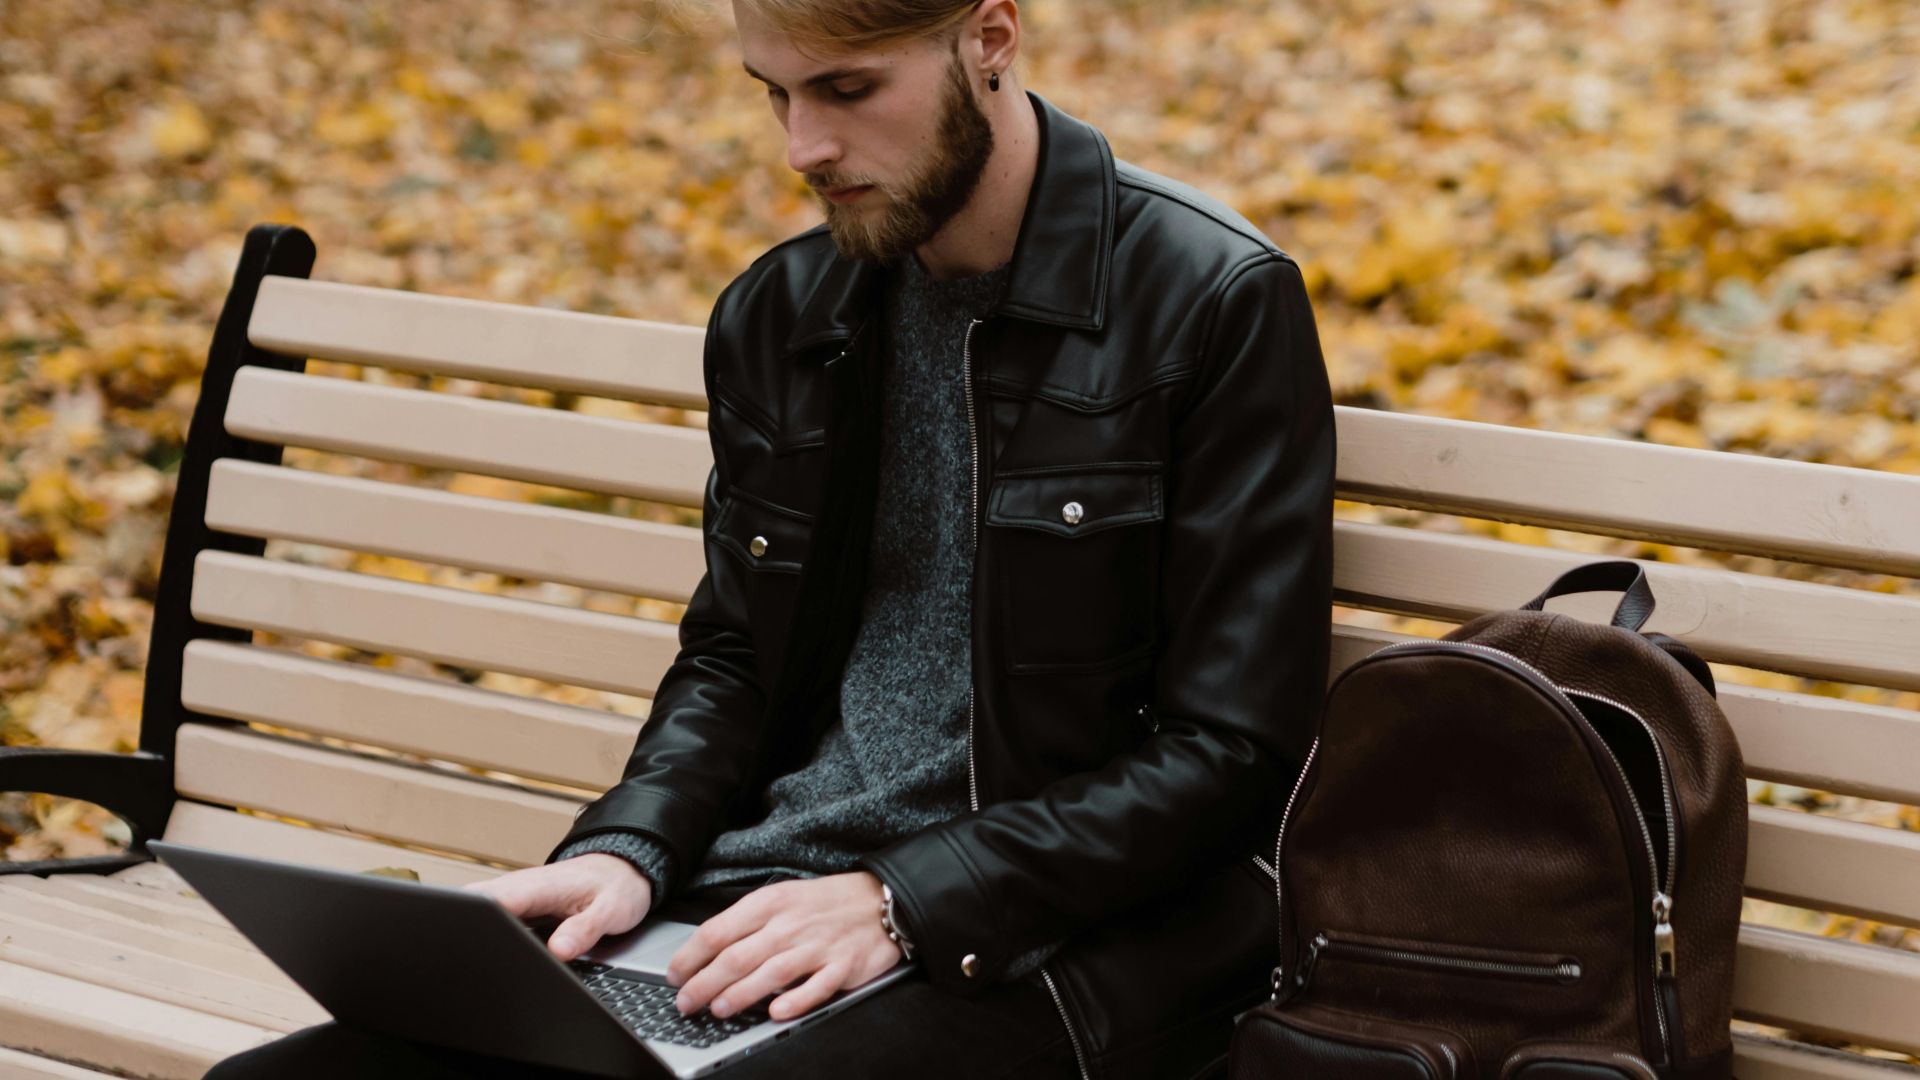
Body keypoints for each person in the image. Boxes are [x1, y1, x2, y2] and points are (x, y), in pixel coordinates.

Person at [206, 0, 1335, 1076]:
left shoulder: (1210, 299)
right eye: (775, 94)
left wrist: (901, 900)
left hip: (1047, 941)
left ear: (990, 36)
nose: (803, 146)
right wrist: (629, 847)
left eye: (847, 89)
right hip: (751, 908)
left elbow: (1229, 750)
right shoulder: (788, 316)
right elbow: (737, 657)